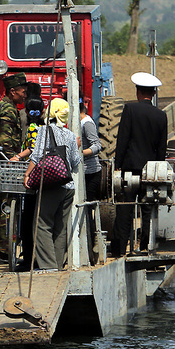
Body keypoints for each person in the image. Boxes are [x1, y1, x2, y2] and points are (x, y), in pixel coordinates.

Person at [113, 72, 168, 257]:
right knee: (147, 209)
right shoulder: (161, 116)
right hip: (151, 171)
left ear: (138, 92)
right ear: (153, 93)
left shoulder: (129, 110)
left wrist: (118, 164)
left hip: (130, 169)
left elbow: (123, 139)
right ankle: (145, 247)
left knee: (125, 208)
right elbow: (162, 147)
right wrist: (158, 169)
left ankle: (120, 250)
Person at [23, 98, 81, 270]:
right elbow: (75, 162)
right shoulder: (70, 135)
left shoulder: (44, 131)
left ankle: (48, 266)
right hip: (67, 186)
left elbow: (37, 155)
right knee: (60, 227)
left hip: (51, 185)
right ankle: (57, 264)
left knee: (42, 224)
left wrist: (27, 174)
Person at [0, 72, 28, 264]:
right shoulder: (9, 110)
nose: (24, 95)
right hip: (7, 162)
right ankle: (4, 252)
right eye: (22, 91)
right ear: (13, 92)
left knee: (0, 206)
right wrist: (14, 158)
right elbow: (5, 140)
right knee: (7, 206)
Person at [10, 96, 45, 269]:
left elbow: (33, 149)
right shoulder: (44, 127)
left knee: (27, 219)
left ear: (26, 112)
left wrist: (17, 157)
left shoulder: (32, 128)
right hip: (43, 176)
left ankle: (29, 258)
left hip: (33, 176)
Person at [80, 99, 102, 264]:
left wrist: (81, 153)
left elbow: (96, 145)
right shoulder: (73, 122)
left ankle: (92, 246)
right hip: (80, 173)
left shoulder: (87, 123)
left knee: (88, 210)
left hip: (91, 172)